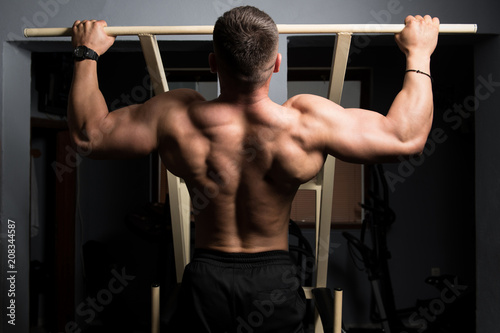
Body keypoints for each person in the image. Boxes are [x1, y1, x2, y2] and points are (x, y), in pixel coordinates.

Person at [69, 6, 439, 333]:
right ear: (276, 63)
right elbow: (406, 138)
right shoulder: (305, 123)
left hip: (206, 278)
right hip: (273, 280)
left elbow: (90, 137)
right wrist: (418, 52)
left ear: (213, 63)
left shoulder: (177, 115)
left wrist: (87, 53)